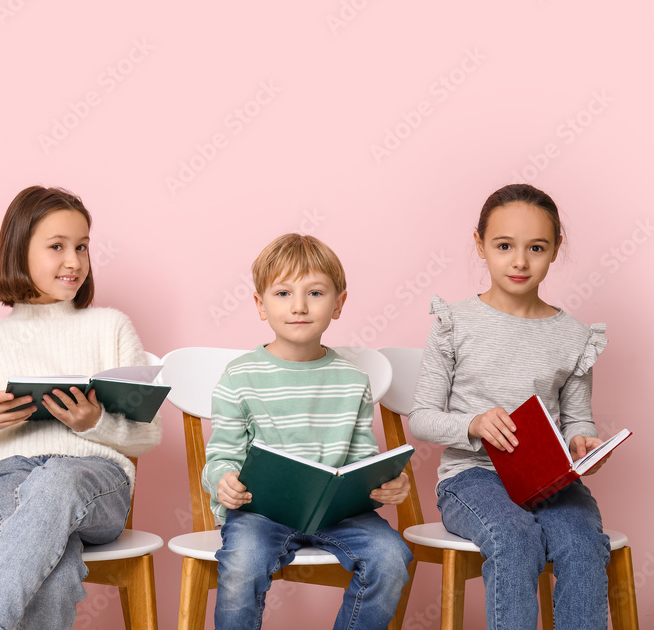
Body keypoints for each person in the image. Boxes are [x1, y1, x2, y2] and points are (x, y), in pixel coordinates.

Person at [0, 185, 161, 630]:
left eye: (81, 247)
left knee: (59, 477)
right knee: (56, 569)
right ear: (19, 252)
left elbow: (148, 435)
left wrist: (95, 422)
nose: (74, 261)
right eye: (57, 247)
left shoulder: (111, 327)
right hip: (8, 475)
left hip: (95, 479)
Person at [409, 183, 611, 629]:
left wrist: (582, 442)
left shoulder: (574, 336)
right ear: (479, 244)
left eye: (536, 247)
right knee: (514, 537)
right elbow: (422, 417)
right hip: (473, 477)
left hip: (548, 478)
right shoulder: (454, 323)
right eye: (504, 246)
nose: (519, 262)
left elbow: (577, 417)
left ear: (556, 249)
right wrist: (474, 423)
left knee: (582, 544)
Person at [202, 233, 412, 630]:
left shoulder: (352, 379)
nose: (299, 306)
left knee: (391, 557)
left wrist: (386, 483)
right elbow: (222, 456)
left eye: (315, 293)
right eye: (282, 293)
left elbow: (363, 458)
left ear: (339, 303)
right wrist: (223, 482)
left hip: (339, 515)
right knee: (242, 566)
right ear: (260, 305)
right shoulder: (239, 376)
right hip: (260, 513)